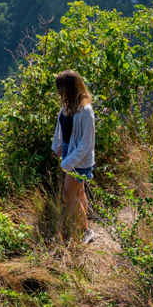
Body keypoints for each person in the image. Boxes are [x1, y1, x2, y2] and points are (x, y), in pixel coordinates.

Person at [50, 70, 96, 244]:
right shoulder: (68, 106)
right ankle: (82, 226)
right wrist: (60, 146)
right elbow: (61, 128)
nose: (59, 92)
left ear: (70, 88)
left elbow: (86, 144)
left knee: (69, 194)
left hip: (80, 160)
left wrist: (68, 162)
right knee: (80, 192)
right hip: (70, 153)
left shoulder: (86, 111)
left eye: (61, 88)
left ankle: (85, 231)